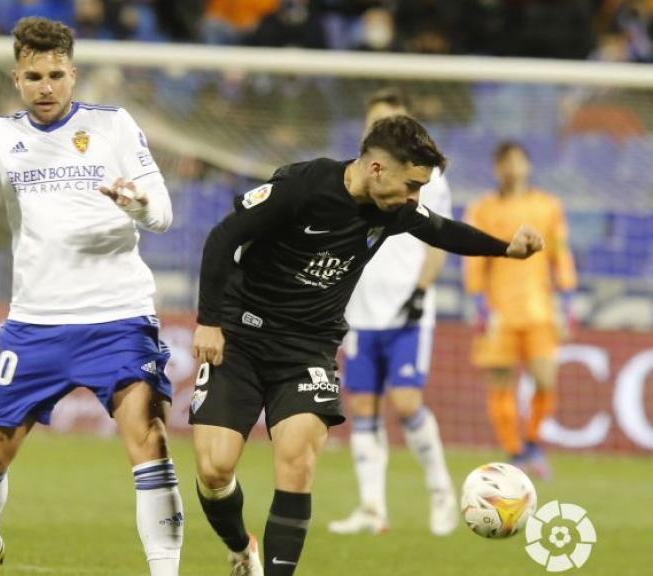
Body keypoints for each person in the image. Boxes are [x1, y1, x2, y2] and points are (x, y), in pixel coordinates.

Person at [189, 115, 544, 576]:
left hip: (307, 350)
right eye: (412, 185)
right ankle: (240, 548)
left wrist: (506, 249)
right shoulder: (303, 186)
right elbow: (223, 238)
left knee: (296, 462)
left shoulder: (394, 209)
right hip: (240, 336)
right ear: (377, 169)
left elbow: (441, 230)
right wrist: (209, 322)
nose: (415, 199)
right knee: (215, 470)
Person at [0, 17, 183, 576]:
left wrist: (134, 204)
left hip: (119, 316)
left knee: (149, 439)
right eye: (34, 75)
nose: (46, 86)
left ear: (73, 74)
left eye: (56, 74)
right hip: (36, 323)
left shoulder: (113, 126)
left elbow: (162, 212)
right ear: (16, 77)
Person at [328, 89, 457, 536]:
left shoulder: (428, 179)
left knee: (406, 402)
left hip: (406, 308)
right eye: (373, 119)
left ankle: (442, 493)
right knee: (362, 405)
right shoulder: (360, 176)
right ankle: (372, 508)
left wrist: (421, 291)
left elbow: (442, 238)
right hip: (361, 312)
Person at [464, 141, 577, 480]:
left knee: (545, 381)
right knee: (501, 384)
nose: (512, 168)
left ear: (528, 166)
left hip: (539, 309)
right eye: (505, 163)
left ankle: (533, 444)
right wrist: (478, 300)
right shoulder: (482, 208)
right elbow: (473, 256)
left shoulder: (547, 206)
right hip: (499, 312)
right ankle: (514, 451)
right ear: (496, 168)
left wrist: (568, 295)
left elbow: (561, 252)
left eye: (517, 161)